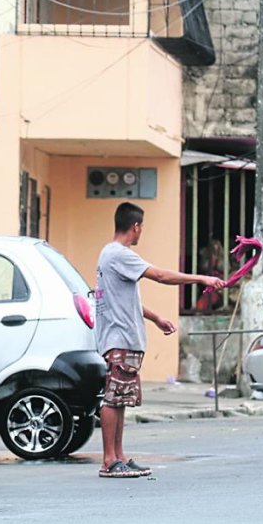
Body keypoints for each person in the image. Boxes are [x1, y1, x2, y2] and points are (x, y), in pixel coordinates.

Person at [95, 202, 224, 478]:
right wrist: (202, 278)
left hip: (125, 337)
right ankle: (108, 460)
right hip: (120, 337)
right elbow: (162, 276)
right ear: (136, 226)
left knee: (122, 399)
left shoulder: (111, 255)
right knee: (113, 398)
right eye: (142, 228)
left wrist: (155, 318)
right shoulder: (119, 254)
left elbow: (126, 301)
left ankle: (119, 455)